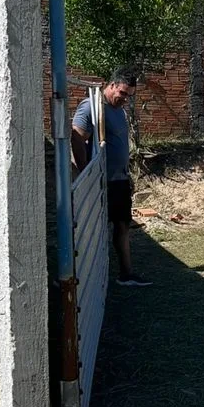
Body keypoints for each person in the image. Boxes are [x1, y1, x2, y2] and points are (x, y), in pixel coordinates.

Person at [70, 74, 150, 286]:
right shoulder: (92, 108)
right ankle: (87, 279)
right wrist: (87, 171)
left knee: (123, 225)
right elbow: (77, 136)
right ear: (112, 85)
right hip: (101, 182)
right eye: (122, 93)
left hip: (119, 180)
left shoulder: (119, 110)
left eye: (130, 95)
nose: (125, 98)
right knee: (95, 230)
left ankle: (126, 274)